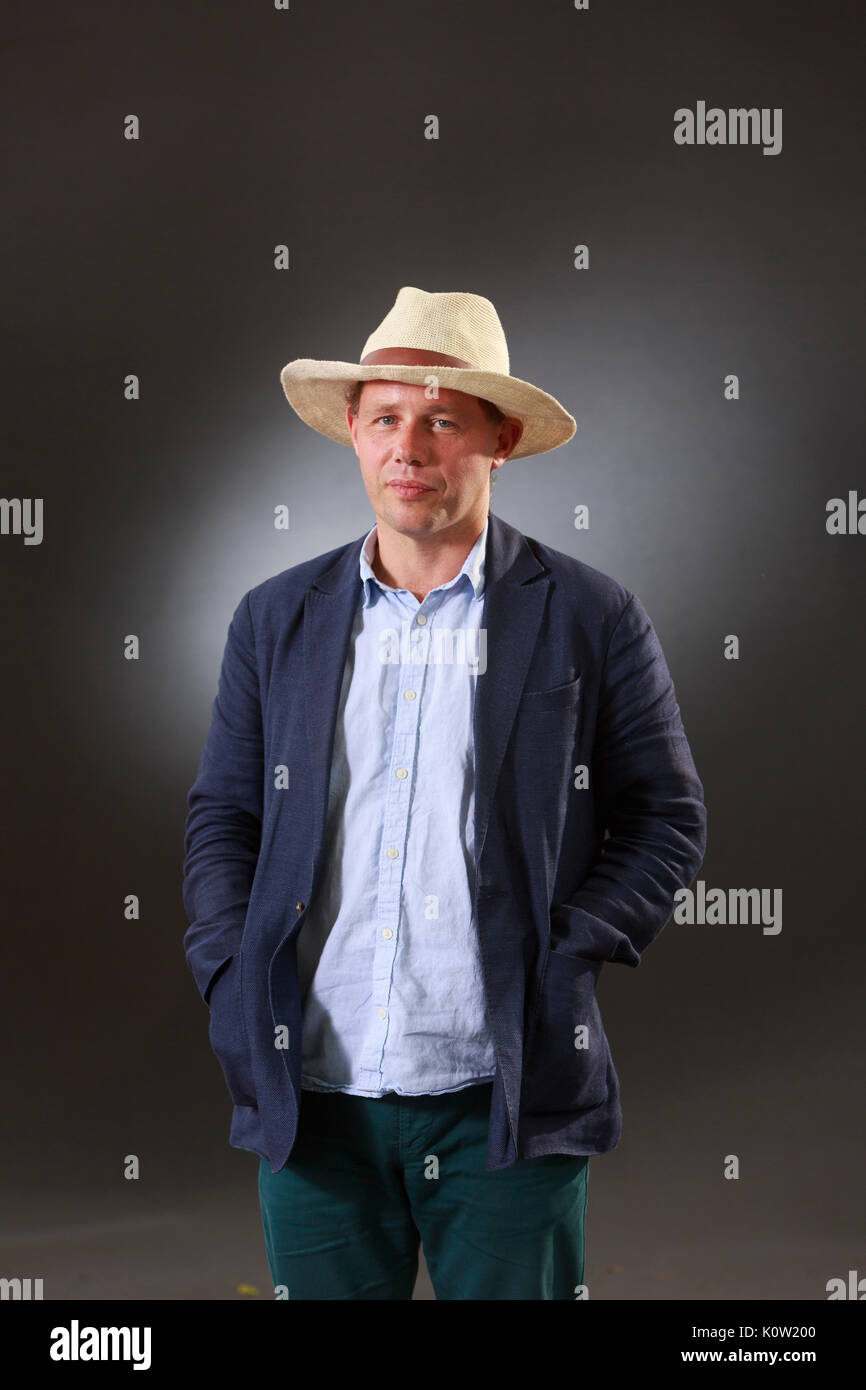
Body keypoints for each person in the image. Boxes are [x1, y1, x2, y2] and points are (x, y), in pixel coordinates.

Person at [182, 285, 707, 1300]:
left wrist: (569, 950)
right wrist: (226, 963)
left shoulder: (590, 617)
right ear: (353, 431)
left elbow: (665, 816)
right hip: (313, 1100)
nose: (407, 447)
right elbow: (224, 814)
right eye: (385, 417)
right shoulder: (274, 618)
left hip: (504, 1101)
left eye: (440, 419)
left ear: (496, 439)